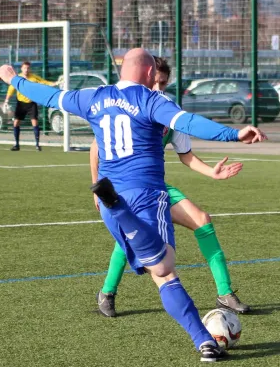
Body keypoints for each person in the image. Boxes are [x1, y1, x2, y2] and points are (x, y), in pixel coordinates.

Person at [0, 48, 267, 362]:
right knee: (164, 267)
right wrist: (234, 133)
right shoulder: (153, 100)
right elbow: (190, 122)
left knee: (162, 274)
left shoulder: (93, 96)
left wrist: (13, 78)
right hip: (146, 197)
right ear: (151, 75)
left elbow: (47, 95)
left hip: (110, 199)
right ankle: (202, 333)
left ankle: (204, 342)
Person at [92, 57, 250, 318]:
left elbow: (185, 154)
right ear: (144, 77)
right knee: (132, 235)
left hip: (155, 186)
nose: (158, 88)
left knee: (202, 220)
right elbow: (95, 149)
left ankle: (225, 293)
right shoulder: (127, 103)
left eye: (163, 83)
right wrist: (100, 189)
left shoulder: (169, 109)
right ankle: (107, 292)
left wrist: (212, 171)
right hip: (123, 185)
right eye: (154, 82)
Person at [4, 61, 55, 151]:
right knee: (16, 123)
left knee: (35, 123)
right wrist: (6, 100)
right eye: (25, 68)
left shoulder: (33, 77)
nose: (26, 70)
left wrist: (53, 84)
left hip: (31, 103)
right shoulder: (17, 78)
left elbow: (43, 82)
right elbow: (11, 89)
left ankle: (37, 145)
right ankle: (16, 145)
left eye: (28, 68)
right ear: (21, 69)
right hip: (21, 104)